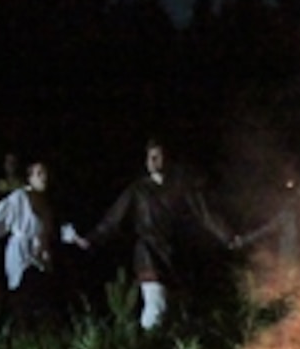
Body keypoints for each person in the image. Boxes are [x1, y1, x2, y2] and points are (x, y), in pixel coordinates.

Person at [90, 140, 230, 337]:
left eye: (158, 156)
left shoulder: (180, 188)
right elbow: (114, 218)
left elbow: (204, 213)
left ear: (168, 159)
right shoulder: (138, 190)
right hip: (148, 254)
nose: (153, 161)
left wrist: (227, 236)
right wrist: (92, 239)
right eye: (150, 157)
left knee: (175, 310)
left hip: (174, 255)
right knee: (156, 305)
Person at [0, 159, 85, 328]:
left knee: (43, 298)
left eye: (45, 173)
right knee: (25, 294)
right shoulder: (19, 197)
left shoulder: (46, 203)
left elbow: (54, 229)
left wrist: (75, 238)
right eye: (39, 174)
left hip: (41, 254)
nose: (44, 178)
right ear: (29, 178)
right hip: (21, 253)